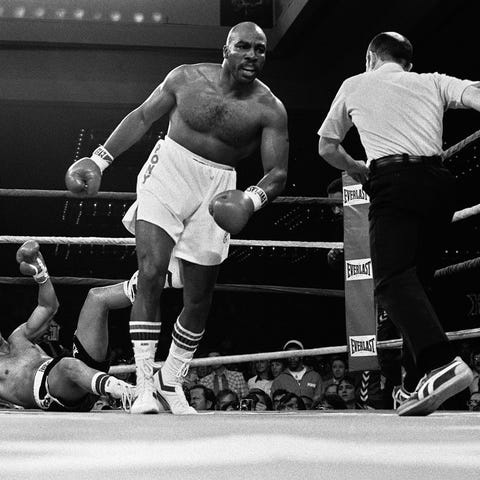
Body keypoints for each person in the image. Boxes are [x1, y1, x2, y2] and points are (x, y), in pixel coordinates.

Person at [65, 21, 289, 415]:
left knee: (199, 296)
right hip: (168, 169)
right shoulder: (185, 78)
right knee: (150, 272)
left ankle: (172, 378)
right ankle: (146, 385)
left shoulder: (269, 108)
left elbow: (277, 173)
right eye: (244, 47)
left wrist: (251, 199)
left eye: (260, 49)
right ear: (226, 49)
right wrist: (100, 160)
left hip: (219, 186)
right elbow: (142, 117)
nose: (252, 55)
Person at [318, 31, 479, 416]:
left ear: (371, 56)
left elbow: (326, 146)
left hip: (394, 181)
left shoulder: (355, 84)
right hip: (440, 185)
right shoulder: (432, 81)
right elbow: (474, 92)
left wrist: (359, 170)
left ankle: (441, 362)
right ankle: (413, 382)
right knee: (417, 283)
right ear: (407, 60)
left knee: (390, 280)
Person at [0, 240, 134, 411]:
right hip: (54, 392)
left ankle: (155, 280)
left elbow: (48, 307)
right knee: (66, 365)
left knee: (97, 298)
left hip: (83, 376)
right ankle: (133, 393)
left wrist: (41, 275)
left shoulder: (19, 337)